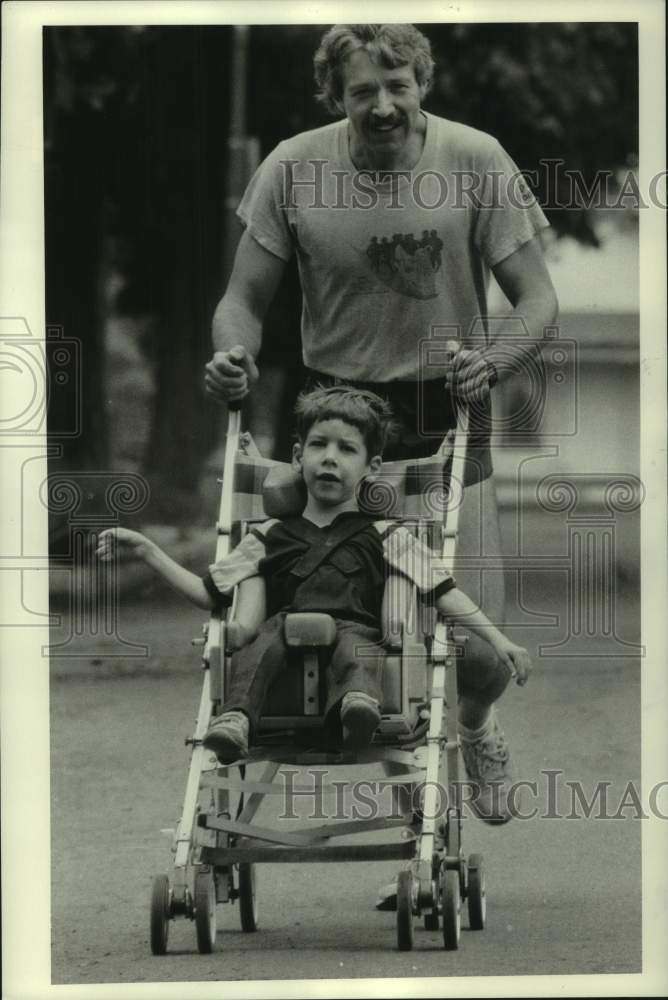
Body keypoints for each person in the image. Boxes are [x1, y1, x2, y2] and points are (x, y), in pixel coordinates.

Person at [203, 24, 558, 822]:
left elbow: (538, 298)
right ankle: (360, 739)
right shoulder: (293, 167)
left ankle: (474, 722)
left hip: (448, 397)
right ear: (336, 95)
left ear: (421, 83)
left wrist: (494, 359)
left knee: (475, 649)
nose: (384, 105)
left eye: (398, 85)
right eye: (363, 90)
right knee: (337, 607)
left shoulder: (476, 159)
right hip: (336, 408)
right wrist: (232, 354)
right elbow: (243, 300)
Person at [96, 386, 531, 764]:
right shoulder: (266, 537)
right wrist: (147, 550)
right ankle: (235, 720)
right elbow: (208, 592)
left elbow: (442, 591)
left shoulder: (387, 535)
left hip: (356, 634)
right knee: (261, 643)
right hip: (282, 640)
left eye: (347, 449)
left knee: (359, 648)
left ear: (372, 467)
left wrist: (499, 640)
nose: (330, 458)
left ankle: (357, 707)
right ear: (298, 456)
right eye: (320, 445)